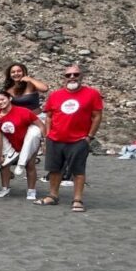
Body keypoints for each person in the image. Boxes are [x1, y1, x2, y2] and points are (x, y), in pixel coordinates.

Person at [35, 64, 102, 211]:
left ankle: (77, 199)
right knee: (54, 169)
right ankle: (53, 196)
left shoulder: (92, 94)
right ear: (64, 78)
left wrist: (90, 136)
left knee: (78, 170)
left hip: (79, 139)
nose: (72, 77)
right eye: (68, 75)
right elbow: (49, 116)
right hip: (55, 138)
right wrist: (47, 135)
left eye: (75, 74)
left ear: (81, 76)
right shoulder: (55, 95)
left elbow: (97, 116)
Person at [0, 91, 44, 200]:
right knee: (4, 164)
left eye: (2, 99)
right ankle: (5, 188)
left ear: (10, 98)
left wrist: (43, 143)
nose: (0, 102)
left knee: (30, 165)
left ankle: (31, 191)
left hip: (28, 142)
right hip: (11, 144)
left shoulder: (24, 111)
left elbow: (41, 126)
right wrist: (0, 154)